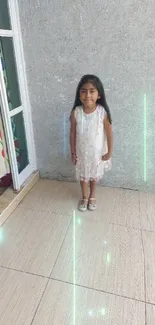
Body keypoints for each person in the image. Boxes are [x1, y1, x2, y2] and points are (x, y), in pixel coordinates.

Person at [70, 74, 113, 212]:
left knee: (94, 176)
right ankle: (84, 196)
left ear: (99, 94)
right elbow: (72, 133)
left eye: (92, 91)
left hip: (96, 153)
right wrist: (73, 151)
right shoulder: (76, 113)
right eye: (83, 91)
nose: (87, 95)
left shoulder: (102, 113)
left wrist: (109, 152)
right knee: (83, 177)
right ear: (79, 94)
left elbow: (109, 133)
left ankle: (92, 196)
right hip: (82, 153)